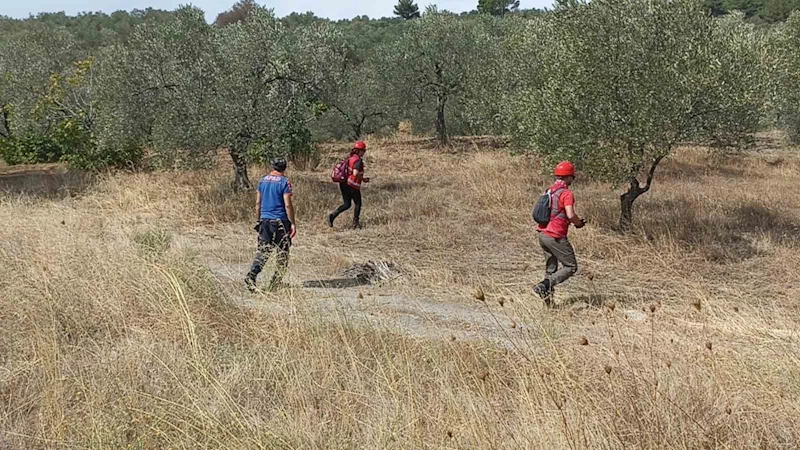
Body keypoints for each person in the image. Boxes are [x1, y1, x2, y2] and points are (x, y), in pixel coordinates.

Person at [533, 161, 586, 306]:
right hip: (555, 236)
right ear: (568, 177)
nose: (572, 180)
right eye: (572, 177)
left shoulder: (549, 190)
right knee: (571, 267)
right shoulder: (566, 193)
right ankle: (544, 285)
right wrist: (578, 223)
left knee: (551, 268)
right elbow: (570, 214)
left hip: (543, 234)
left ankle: (548, 305)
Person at [245, 157, 296, 292]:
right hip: (280, 221)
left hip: (265, 220)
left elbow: (258, 204)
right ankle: (275, 282)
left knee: (264, 251)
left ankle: (252, 275)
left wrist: (259, 220)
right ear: (285, 168)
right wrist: (292, 223)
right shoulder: (285, 182)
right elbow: (288, 204)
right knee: (283, 252)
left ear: (272, 166)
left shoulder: (262, 180)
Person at [327, 141, 370, 229]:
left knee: (347, 204)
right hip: (352, 184)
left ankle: (332, 215)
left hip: (343, 183)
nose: (364, 153)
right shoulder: (357, 160)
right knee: (358, 203)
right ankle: (355, 223)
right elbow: (355, 173)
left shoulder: (350, 158)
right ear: (360, 151)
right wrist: (364, 179)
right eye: (363, 151)